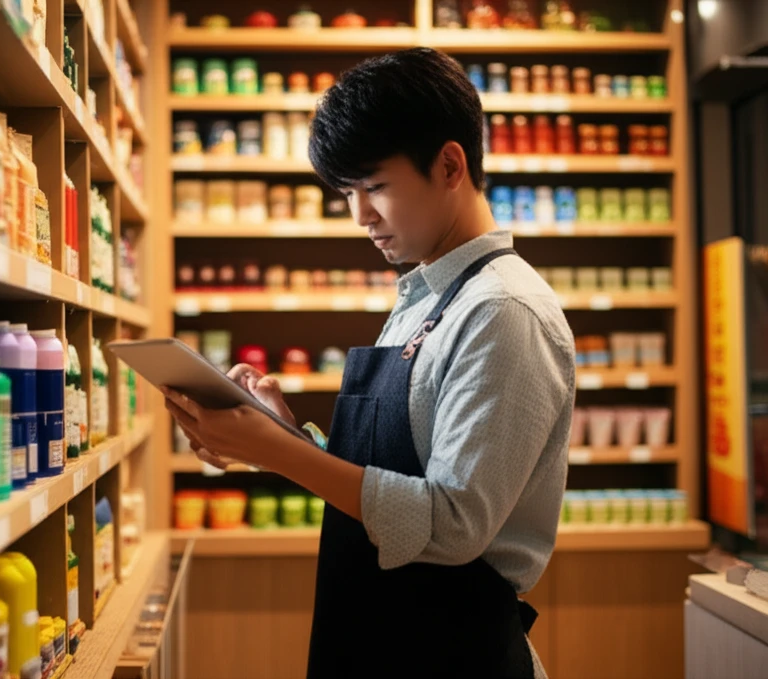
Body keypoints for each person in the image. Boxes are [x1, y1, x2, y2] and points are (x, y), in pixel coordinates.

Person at [162, 47, 574, 679]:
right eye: (348, 193)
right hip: (389, 644)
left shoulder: (503, 311)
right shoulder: (425, 296)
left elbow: (453, 522)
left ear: (448, 165)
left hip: (456, 655)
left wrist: (278, 454)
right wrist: (286, 436)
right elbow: (392, 477)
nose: (361, 216)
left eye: (376, 187)